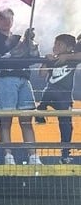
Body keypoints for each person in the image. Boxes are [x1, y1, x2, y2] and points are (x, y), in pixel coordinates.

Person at [0, 8, 41, 165]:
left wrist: (30, 41)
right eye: (2, 18)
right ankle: (8, 156)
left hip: (24, 78)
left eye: (9, 17)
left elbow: (34, 58)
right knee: (6, 120)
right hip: (5, 78)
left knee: (26, 120)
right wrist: (21, 46)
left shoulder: (20, 38)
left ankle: (34, 157)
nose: (6, 20)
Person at [37, 34, 77, 164]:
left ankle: (65, 154)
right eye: (55, 44)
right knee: (47, 92)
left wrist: (68, 57)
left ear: (70, 48)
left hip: (65, 97)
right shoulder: (51, 59)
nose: (56, 47)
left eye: (60, 44)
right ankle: (40, 111)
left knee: (66, 125)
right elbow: (42, 74)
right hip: (50, 93)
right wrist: (46, 61)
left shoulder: (72, 59)